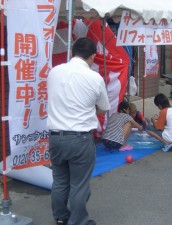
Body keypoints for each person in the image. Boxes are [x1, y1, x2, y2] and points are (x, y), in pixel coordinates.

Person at [47, 37, 111, 225]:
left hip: (55, 137)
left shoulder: (54, 72)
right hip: (80, 139)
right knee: (79, 185)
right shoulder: (94, 78)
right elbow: (104, 107)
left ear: (72, 52)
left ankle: (60, 217)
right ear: (92, 56)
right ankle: (78, 222)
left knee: (59, 180)